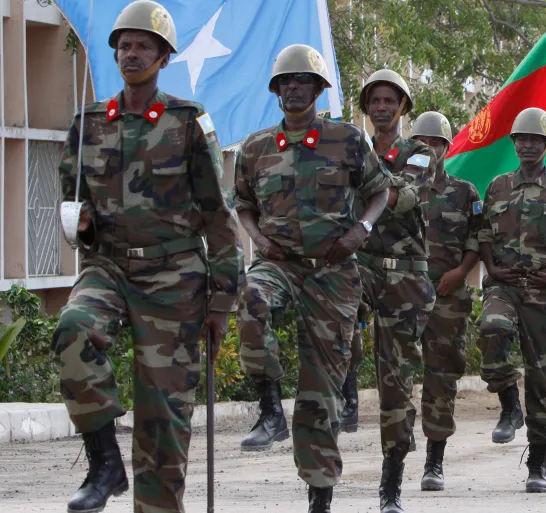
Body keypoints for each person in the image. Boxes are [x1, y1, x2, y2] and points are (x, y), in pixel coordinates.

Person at [53, 2, 243, 512]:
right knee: (73, 328)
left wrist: (222, 302)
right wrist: (84, 222)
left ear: (162, 58)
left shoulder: (186, 122)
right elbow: (74, 198)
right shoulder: (89, 122)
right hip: (109, 267)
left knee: (163, 422)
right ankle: (105, 462)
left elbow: (218, 216)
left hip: (174, 278)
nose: (130, 53)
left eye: (142, 46)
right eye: (124, 45)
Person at [233, 44, 392, 511]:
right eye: (285, 81)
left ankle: (319, 497)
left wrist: (362, 229)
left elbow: (379, 191)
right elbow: (242, 204)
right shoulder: (255, 147)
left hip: (333, 274)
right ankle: (267, 409)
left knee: (319, 395)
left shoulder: (346, 139)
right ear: (276, 90)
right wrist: (258, 240)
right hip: (278, 264)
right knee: (249, 299)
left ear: (320, 89)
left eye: (302, 80)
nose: (292, 87)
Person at [477, 108, 546, 493]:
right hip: (504, 285)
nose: (527, 145)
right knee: (491, 328)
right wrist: (492, 269)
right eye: (521, 139)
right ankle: (509, 405)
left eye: (535, 140)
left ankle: (538, 465)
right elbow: (482, 237)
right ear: (514, 143)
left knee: (542, 381)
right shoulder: (497, 187)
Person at [356, 69, 437, 513]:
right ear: (367, 107)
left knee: (396, 382)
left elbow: (405, 196)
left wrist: (361, 184)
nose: (381, 108)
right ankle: (346, 387)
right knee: (335, 316)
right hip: (362, 267)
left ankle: (392, 483)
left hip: (405, 278)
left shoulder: (419, 153)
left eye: (390, 101)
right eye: (375, 101)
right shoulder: (352, 149)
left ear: (402, 107)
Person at [411, 111, 482, 490]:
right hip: (403, 294)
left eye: (435, 143)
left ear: (446, 147)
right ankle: (398, 442)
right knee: (396, 372)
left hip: (447, 295)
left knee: (441, 376)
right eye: (420, 143)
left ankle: (434, 461)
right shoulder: (397, 188)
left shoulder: (464, 192)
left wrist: (460, 272)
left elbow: (477, 239)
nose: (428, 149)